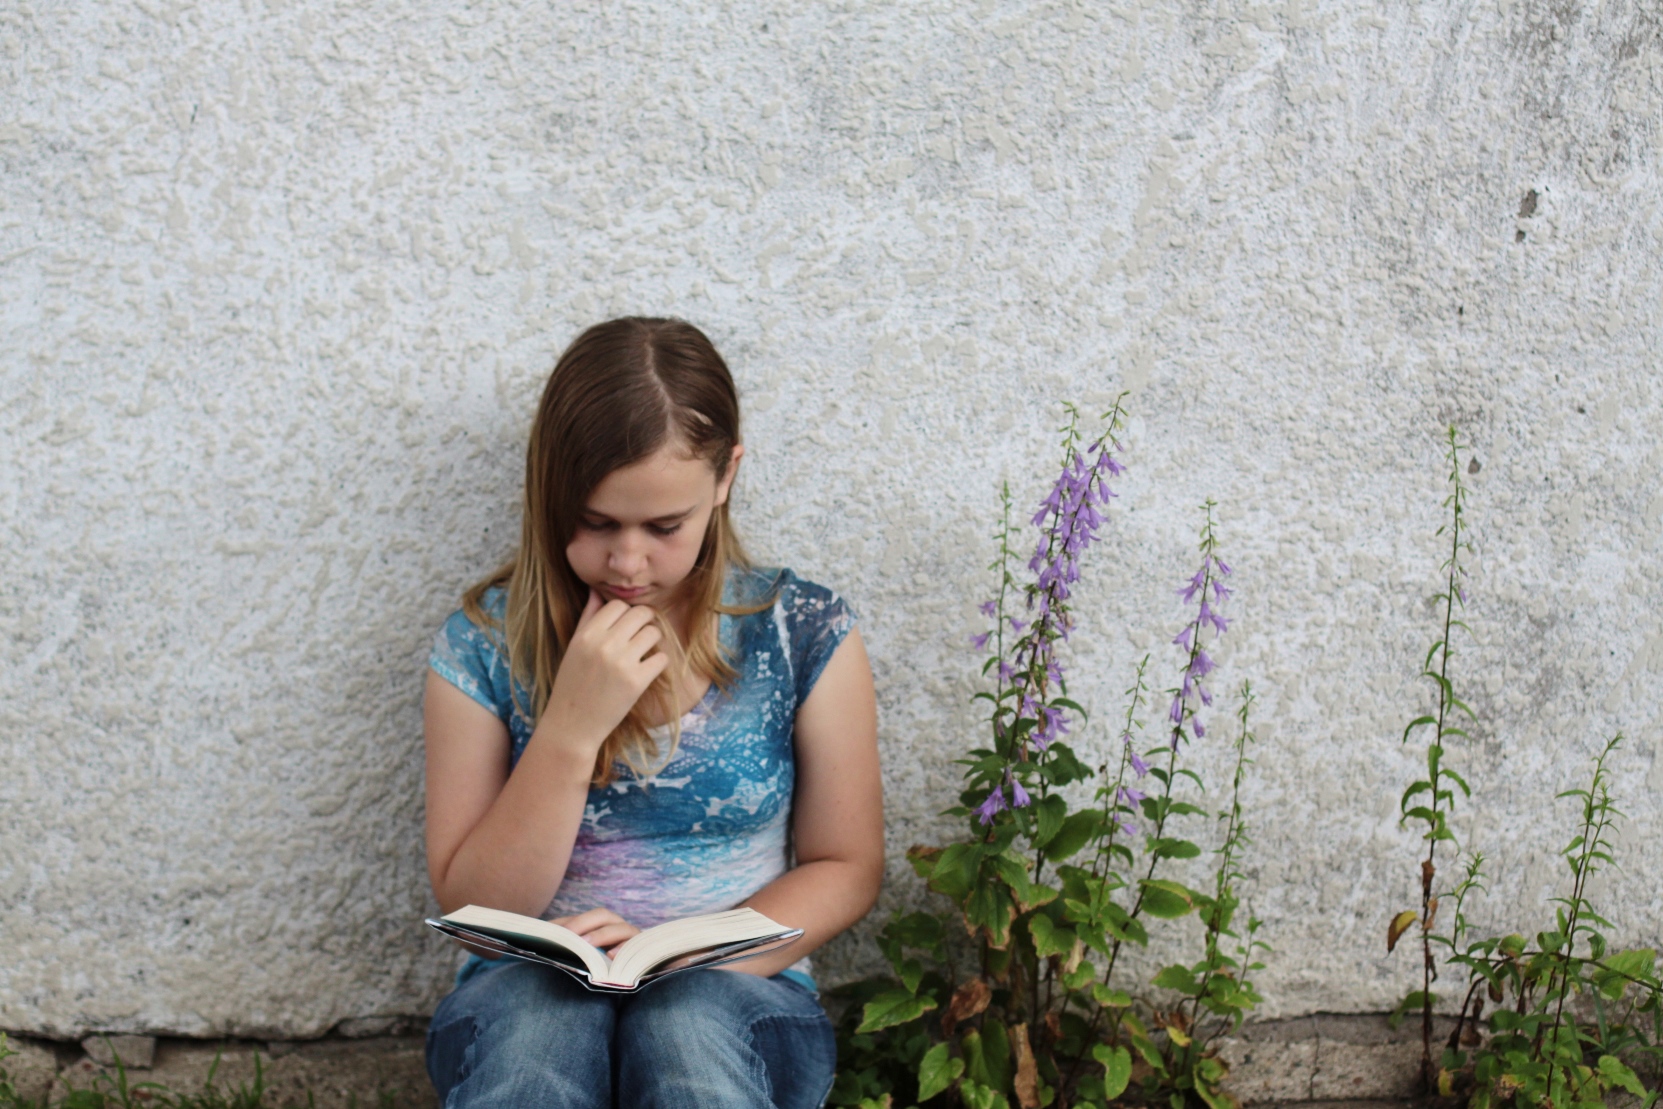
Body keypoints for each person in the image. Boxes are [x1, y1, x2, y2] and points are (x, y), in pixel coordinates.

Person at [420, 317, 883, 1109]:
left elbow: (846, 864)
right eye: (595, 522)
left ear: (726, 476)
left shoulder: (799, 632)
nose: (627, 562)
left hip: (737, 987)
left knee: (687, 1042)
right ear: (548, 488)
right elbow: (475, 911)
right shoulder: (485, 646)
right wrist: (570, 728)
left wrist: (688, 954)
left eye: (665, 527)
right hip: (526, 988)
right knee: (534, 1053)